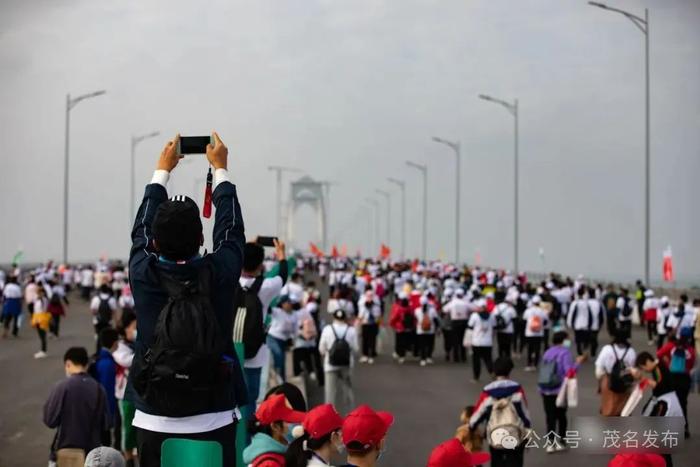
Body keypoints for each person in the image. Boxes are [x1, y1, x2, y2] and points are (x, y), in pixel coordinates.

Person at [126, 133, 247, 467]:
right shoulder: (220, 271)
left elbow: (139, 233)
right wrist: (220, 170)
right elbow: (230, 231)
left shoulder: (143, 273)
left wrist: (160, 173)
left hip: (153, 413)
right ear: (199, 237)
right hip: (215, 411)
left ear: (156, 242)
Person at [239, 238, 289, 421]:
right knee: (250, 400)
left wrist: (244, 247)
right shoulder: (267, 287)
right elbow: (283, 274)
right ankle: (247, 440)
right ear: (261, 265)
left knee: (229, 402)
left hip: (230, 352)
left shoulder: (228, 281)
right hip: (255, 352)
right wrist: (281, 254)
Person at [44, 347, 110, 464]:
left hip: (65, 450)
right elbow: (106, 423)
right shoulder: (99, 389)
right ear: (87, 365)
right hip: (91, 454)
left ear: (68, 363)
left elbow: (50, 420)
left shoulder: (62, 387)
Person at [469, 357, 531, 467]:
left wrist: (471, 428)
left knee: (497, 462)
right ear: (509, 370)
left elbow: (478, 414)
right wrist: (528, 432)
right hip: (514, 433)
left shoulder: (487, 392)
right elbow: (525, 415)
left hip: (495, 433)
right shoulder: (517, 390)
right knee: (515, 461)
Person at [538, 331, 585, 453]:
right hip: (560, 389)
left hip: (546, 389)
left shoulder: (547, 352)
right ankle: (561, 441)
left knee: (550, 417)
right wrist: (578, 363)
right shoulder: (565, 353)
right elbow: (569, 371)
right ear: (563, 340)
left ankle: (550, 443)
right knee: (561, 416)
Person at [243, 393, 307, 467]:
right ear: (275, 427)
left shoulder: (276, 455)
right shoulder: (269, 464)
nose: (294, 424)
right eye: (289, 421)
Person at [656, 329, 696, 438]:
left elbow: (658, 354)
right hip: (685, 379)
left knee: (669, 401)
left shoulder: (671, 346)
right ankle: (684, 427)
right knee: (683, 403)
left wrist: (668, 362)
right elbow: (692, 364)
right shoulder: (691, 350)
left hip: (672, 377)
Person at [319, 309, 358, 415]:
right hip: (346, 364)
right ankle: (350, 416)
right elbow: (356, 348)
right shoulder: (351, 330)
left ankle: (329, 417)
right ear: (345, 318)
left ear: (334, 317)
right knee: (348, 391)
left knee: (330, 393)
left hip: (330, 365)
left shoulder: (327, 329)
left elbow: (321, 348)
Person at [113, 311, 137, 467]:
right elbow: (129, 361)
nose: (137, 330)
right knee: (127, 430)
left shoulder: (137, 343)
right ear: (126, 328)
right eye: (135, 327)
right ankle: (128, 459)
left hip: (141, 395)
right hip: (126, 395)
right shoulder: (119, 347)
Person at [595, 331, 637, 416]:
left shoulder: (607, 349)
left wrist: (600, 380)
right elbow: (633, 369)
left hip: (609, 381)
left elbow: (599, 369)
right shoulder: (631, 351)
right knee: (622, 407)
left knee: (608, 406)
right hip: (624, 383)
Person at [95, 327, 120, 446]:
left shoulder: (100, 358)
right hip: (103, 412)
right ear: (115, 343)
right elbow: (107, 391)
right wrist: (110, 416)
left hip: (97, 409)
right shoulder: (108, 364)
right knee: (105, 442)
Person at [268, 296, 298, 383]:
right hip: (272, 337)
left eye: (290, 302)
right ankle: (276, 374)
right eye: (287, 303)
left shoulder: (294, 315)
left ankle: (282, 379)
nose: (289, 304)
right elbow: (269, 309)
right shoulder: (278, 311)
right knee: (278, 354)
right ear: (283, 304)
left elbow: (295, 330)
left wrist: (292, 339)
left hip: (284, 340)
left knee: (283, 360)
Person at [467, 299, 496, 382]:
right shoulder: (492, 316)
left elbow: (470, 327)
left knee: (476, 361)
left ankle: (476, 377)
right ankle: (492, 372)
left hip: (476, 342)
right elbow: (494, 327)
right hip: (488, 342)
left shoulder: (474, 316)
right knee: (488, 359)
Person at [443, 288, 470, 363]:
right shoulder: (465, 302)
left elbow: (444, 309)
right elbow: (473, 308)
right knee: (462, 340)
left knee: (455, 340)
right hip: (464, 322)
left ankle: (456, 357)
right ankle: (463, 357)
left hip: (455, 322)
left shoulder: (453, 302)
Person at [90, 284, 117, 353]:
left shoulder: (96, 299)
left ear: (100, 290)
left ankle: (98, 352)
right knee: (107, 338)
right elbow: (114, 312)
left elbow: (93, 311)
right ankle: (107, 352)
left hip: (98, 322)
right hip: (108, 322)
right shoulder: (112, 299)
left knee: (99, 337)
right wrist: (116, 322)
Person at [523, 296, 548, 371]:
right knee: (537, 348)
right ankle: (535, 365)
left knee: (529, 348)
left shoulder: (528, 310)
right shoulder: (542, 311)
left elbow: (524, 319)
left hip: (529, 332)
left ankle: (529, 364)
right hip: (539, 332)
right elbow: (546, 321)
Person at [388, 292, 414, 364]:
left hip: (399, 328)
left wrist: (391, 324)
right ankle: (402, 354)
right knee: (405, 341)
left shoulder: (399, 308)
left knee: (399, 341)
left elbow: (394, 317)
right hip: (407, 328)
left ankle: (400, 355)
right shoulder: (410, 308)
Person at [414, 295, 440, 366]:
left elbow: (415, 319)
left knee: (422, 345)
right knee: (430, 344)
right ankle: (429, 357)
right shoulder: (432, 310)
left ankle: (422, 359)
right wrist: (438, 328)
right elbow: (436, 320)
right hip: (430, 330)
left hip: (420, 330)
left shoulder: (417, 310)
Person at [357, 290, 381, 364]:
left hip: (372, 325)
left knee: (371, 340)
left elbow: (378, 315)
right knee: (366, 340)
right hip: (366, 324)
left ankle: (370, 355)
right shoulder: (363, 306)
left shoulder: (376, 306)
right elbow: (360, 316)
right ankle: (365, 355)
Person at [567, 288, 593, 356]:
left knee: (578, 338)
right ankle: (584, 347)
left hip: (577, 324)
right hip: (585, 323)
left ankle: (579, 350)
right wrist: (590, 324)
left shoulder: (575, 303)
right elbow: (590, 315)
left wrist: (571, 323)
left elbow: (572, 314)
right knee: (585, 338)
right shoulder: (587, 304)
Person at [493, 290, 517, 360]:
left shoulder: (497, 307)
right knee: (508, 347)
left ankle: (500, 360)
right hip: (509, 330)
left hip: (500, 330)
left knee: (500, 346)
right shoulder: (511, 308)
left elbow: (493, 317)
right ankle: (507, 360)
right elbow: (514, 319)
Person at [31, 285, 51, 358]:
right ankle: (42, 350)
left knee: (42, 335)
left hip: (41, 318)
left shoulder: (43, 300)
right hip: (37, 317)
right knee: (41, 335)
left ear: (42, 292)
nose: (37, 294)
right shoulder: (38, 299)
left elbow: (42, 310)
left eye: (39, 292)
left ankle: (43, 351)